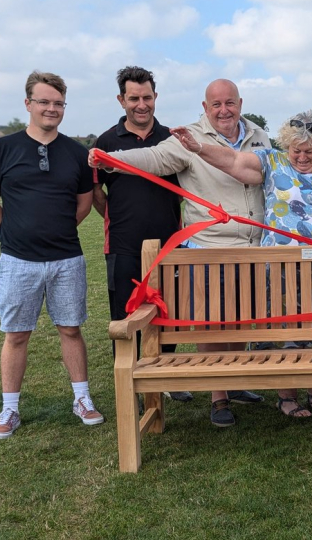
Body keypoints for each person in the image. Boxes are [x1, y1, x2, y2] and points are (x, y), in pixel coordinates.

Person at [88, 79, 269, 427]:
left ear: (241, 103)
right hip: (210, 246)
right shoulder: (189, 139)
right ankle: (218, 398)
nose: (223, 110)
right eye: (215, 105)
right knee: (211, 324)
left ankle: (233, 381)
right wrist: (110, 160)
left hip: (252, 246)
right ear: (205, 108)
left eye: (229, 103)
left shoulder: (259, 135)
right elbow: (152, 158)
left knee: (239, 320)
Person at [170, 110, 312, 418]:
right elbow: (233, 161)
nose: (301, 156)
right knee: (282, 331)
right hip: (278, 265)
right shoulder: (273, 161)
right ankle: (286, 396)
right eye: (295, 150)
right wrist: (198, 148)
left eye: (308, 151)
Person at [0, 71, 103, 439]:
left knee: (70, 328)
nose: (52, 108)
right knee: (16, 335)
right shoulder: (4, 148)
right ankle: (10, 409)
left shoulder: (76, 152)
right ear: (28, 103)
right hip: (18, 260)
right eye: (44, 101)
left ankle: (82, 399)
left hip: (66, 258)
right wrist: (13, 234)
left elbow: (83, 204)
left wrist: (56, 231)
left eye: (58, 103)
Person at [92, 66, 192, 403]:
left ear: (155, 97)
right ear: (121, 99)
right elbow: (95, 192)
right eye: (133, 98)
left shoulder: (172, 138)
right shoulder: (106, 141)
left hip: (169, 242)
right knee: (124, 315)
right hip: (122, 244)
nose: (141, 104)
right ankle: (128, 383)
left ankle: (165, 377)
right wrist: (117, 216)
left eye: (146, 97)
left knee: (168, 312)